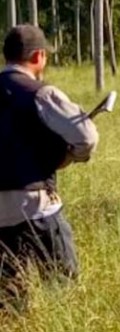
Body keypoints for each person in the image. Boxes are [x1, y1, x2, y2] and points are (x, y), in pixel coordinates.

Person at [0, 25, 99, 310]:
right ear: (38, 56)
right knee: (62, 287)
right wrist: (68, 157)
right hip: (36, 207)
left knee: (8, 302)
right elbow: (87, 137)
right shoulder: (41, 93)